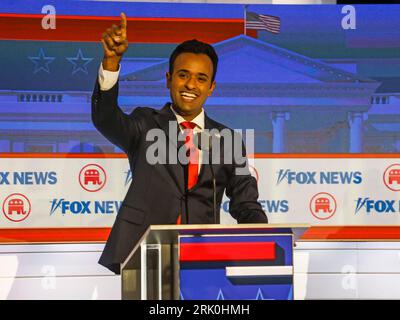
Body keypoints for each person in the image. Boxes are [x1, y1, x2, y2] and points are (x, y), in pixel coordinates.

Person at [92, 13, 268, 274]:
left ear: (211, 87)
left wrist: (268, 237)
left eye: (201, 78)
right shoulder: (145, 123)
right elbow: (105, 118)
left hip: (204, 259)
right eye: (183, 75)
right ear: (168, 78)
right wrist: (111, 63)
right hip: (144, 255)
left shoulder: (228, 139)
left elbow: (246, 203)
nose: (191, 85)